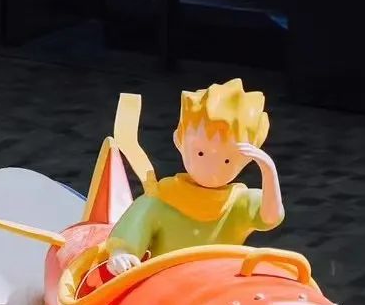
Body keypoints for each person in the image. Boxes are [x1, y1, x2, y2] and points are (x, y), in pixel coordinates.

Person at [104, 78, 284, 275]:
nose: (211, 167)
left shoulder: (239, 204)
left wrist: (268, 170)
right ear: (179, 141)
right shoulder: (160, 200)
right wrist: (122, 254)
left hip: (221, 284)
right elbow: (128, 238)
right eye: (200, 153)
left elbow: (270, 217)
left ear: (247, 159)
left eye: (227, 160)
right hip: (166, 283)